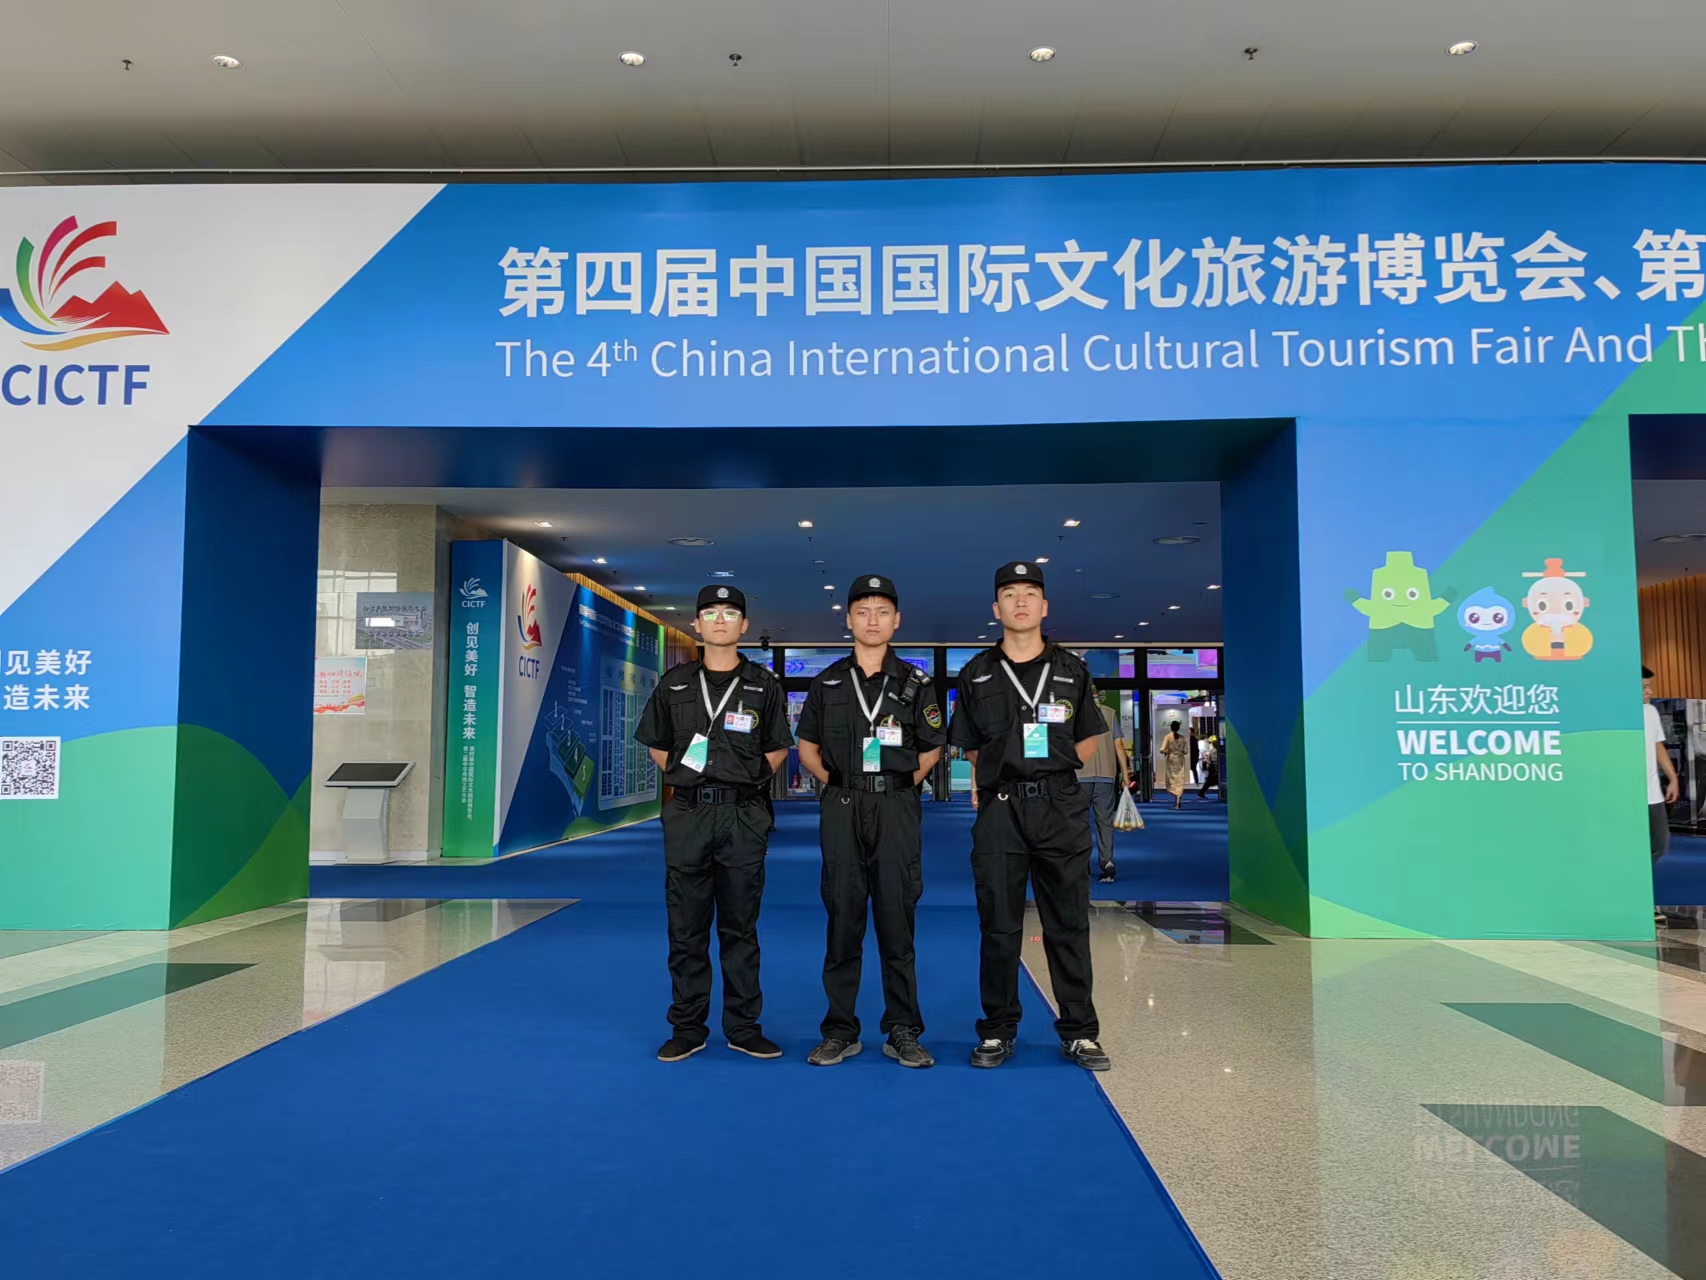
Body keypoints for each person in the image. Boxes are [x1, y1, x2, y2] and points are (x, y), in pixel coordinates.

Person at [949, 560, 1112, 1073]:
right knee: (998, 924)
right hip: (1000, 809)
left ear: (1044, 607)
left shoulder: (1071, 670)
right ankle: (998, 1029)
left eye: (1029, 594)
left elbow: (1087, 740)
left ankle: (1079, 1031)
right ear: (995, 608)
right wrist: (1004, 774)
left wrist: (1048, 773)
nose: (1020, 602)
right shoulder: (976, 673)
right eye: (1009, 594)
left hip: (1060, 807)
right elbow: (970, 744)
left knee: (1068, 922)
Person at [634, 584, 793, 1063]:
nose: (720, 620)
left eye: (729, 613)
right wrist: (686, 777)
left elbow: (777, 747)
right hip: (689, 814)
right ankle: (687, 1028)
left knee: (740, 928)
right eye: (710, 613)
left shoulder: (764, 685)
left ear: (744, 625)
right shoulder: (675, 683)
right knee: (686, 928)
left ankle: (743, 1027)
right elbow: (657, 744)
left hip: (743, 816)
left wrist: (747, 780)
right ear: (696, 624)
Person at [795, 576, 945, 1069]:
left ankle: (903, 1029)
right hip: (842, 806)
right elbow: (807, 748)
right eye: (863, 611)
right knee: (843, 918)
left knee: (897, 920)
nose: (873, 620)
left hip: (896, 808)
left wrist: (895, 786)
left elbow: (931, 748)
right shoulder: (828, 683)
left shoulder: (917, 683)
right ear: (848, 620)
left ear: (896, 620)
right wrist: (842, 784)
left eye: (882, 611)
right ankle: (840, 1029)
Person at [1075, 692, 1129, 884]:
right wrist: (1125, 774)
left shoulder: (1074, 713)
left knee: (1079, 822)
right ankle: (1107, 863)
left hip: (1079, 775)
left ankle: (1081, 864)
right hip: (1106, 776)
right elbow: (1119, 746)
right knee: (1105, 822)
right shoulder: (1110, 713)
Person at [1644, 666, 1680, 929]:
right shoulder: (1618, 716)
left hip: (1653, 793)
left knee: (1660, 845)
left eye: (1649, 686)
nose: (1650, 692)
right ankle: (1643, 901)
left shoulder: (1651, 712)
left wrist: (1672, 777)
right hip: (1628, 796)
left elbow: (1658, 746)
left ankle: (1640, 894)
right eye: (1644, 688)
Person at [1158, 719, 1191, 809]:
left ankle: (1176, 797)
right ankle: (1178, 797)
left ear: (1171, 727)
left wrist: (1166, 751)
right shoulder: (1182, 738)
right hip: (1180, 760)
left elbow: (1162, 749)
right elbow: (1185, 751)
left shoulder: (1168, 737)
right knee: (1179, 779)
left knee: (1171, 779)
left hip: (1171, 760)